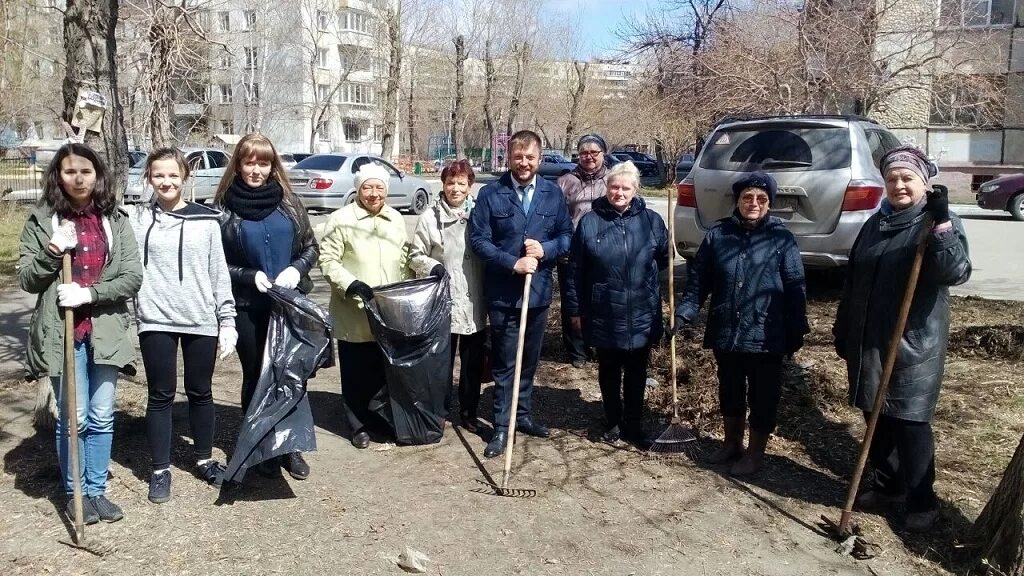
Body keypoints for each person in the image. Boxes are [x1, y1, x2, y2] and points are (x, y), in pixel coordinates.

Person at [833, 146, 971, 532]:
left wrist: (942, 225)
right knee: (873, 415)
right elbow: (854, 279)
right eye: (892, 178)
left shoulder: (936, 222)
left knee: (910, 421)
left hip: (914, 343)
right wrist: (843, 327)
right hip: (870, 339)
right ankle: (888, 485)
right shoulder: (875, 223)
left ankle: (922, 499)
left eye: (908, 178)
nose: (899, 185)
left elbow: (953, 271)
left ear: (924, 184)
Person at [19, 143, 143, 524]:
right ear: (58, 176)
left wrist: (90, 292)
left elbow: (132, 277)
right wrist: (54, 251)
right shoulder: (43, 220)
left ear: (97, 175)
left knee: (103, 415)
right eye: (69, 171)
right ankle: (76, 494)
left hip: (105, 330)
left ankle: (96, 491)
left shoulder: (115, 219)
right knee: (75, 418)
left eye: (85, 171)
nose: (78, 178)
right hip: (62, 333)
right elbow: (27, 278)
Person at [674, 171, 808, 476]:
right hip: (726, 329)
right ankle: (731, 443)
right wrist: (684, 313)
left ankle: (755, 453)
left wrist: (796, 328)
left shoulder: (781, 238)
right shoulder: (718, 236)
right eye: (747, 197)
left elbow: (795, 284)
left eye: (761, 199)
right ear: (737, 200)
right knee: (730, 389)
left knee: (763, 395)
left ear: (770, 204)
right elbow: (699, 282)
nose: (754, 203)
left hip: (767, 333)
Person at [129, 148, 236, 504]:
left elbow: (218, 273)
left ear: (185, 177)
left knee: (199, 391)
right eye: (158, 175)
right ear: (148, 177)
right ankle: (160, 470)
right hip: (155, 317)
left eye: (173, 175)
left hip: (199, 317)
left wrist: (227, 320)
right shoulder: (137, 219)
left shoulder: (206, 220)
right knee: (160, 394)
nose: (166, 182)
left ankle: (205, 459)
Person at [215, 133, 318, 481]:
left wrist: (296, 269)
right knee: (257, 376)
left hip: (289, 305)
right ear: (238, 165)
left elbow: (310, 248)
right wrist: (247, 275)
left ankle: (290, 447)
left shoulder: (289, 203)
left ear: (272, 166)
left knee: (289, 373)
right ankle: (261, 447)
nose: (256, 170)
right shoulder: (225, 208)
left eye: (263, 162)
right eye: (250, 162)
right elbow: (216, 263)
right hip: (249, 306)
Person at [319, 163, 441, 449]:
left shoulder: (395, 219)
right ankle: (357, 424)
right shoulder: (341, 219)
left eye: (379, 188)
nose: (374, 194)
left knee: (383, 369)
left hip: (388, 311)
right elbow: (328, 261)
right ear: (358, 189)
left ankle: (377, 419)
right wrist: (351, 284)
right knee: (355, 371)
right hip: (355, 310)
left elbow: (406, 257)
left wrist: (429, 267)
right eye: (367, 188)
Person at [469, 129, 573, 458]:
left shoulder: (552, 194)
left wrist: (545, 249)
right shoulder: (491, 194)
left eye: (530, 157)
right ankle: (502, 427)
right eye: (518, 157)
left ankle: (522, 415)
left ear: (539, 159)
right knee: (504, 362)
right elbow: (479, 241)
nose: (524, 163)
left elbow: (566, 236)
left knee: (528, 360)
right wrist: (512, 263)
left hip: (538, 293)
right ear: (509, 158)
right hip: (503, 294)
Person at [565, 161, 668, 448]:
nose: (619, 192)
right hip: (604, 310)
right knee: (608, 370)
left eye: (625, 187)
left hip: (641, 311)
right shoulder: (590, 221)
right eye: (614, 186)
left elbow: (662, 260)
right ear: (606, 187)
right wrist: (574, 309)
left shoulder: (651, 221)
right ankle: (611, 420)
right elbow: (575, 270)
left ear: (635, 190)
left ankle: (634, 425)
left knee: (636, 372)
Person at [410, 160, 488, 433]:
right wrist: (434, 266)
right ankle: (439, 411)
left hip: (474, 297)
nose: (455, 188)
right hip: (442, 297)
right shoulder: (430, 217)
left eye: (461, 183)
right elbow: (415, 255)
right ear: (443, 185)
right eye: (450, 183)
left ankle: (469, 412)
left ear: (470, 186)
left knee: (472, 363)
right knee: (440, 362)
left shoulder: (480, 214)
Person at [556, 133, 608, 368]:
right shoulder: (566, 181)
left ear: (603, 154)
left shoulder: (612, 179)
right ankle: (576, 350)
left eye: (594, 152)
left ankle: (597, 344)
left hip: (604, 252)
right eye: (584, 152)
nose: (588, 157)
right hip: (572, 252)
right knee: (572, 302)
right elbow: (556, 217)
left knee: (598, 299)